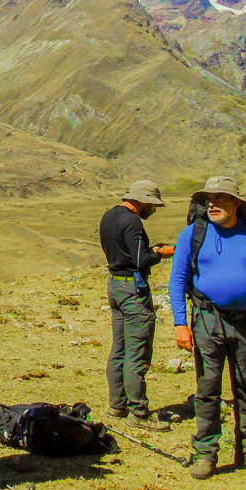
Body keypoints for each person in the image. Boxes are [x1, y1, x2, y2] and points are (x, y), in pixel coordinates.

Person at [168, 176, 246, 479]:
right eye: (208, 199)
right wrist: (181, 323)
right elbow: (177, 279)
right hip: (208, 321)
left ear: (236, 203)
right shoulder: (192, 234)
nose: (212, 203)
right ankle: (205, 454)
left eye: (220, 198)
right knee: (208, 389)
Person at [99, 180, 175, 430]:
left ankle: (116, 405)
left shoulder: (109, 216)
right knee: (137, 351)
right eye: (152, 206)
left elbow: (125, 252)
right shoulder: (132, 221)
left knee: (119, 348)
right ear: (143, 201)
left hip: (115, 285)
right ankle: (139, 413)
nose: (153, 210)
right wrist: (161, 254)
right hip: (133, 289)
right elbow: (141, 259)